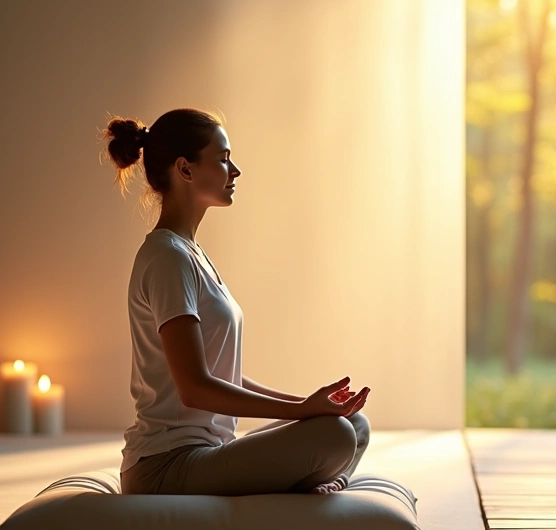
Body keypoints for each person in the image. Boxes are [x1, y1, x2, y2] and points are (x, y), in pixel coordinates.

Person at [102, 108, 371, 496]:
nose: (236, 170)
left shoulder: (189, 252)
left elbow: (218, 373)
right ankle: (311, 490)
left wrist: (310, 404)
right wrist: (300, 412)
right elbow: (194, 388)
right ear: (186, 170)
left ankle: (318, 486)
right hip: (167, 466)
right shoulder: (167, 258)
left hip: (211, 452)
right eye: (224, 158)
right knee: (335, 436)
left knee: (353, 425)